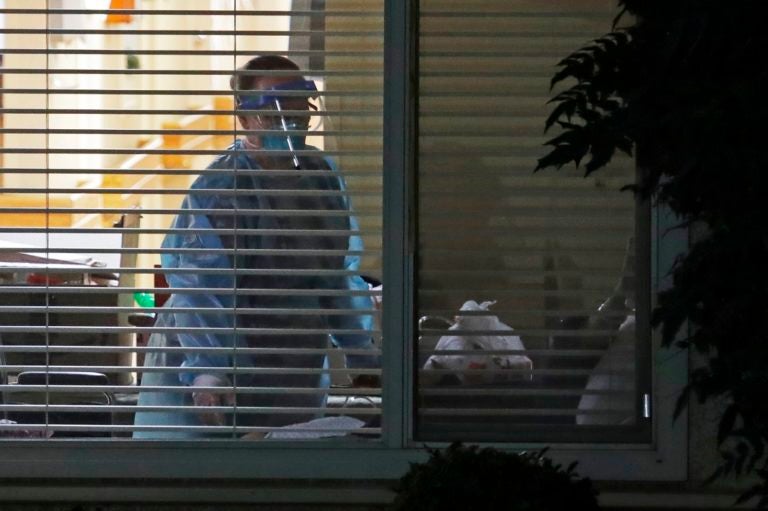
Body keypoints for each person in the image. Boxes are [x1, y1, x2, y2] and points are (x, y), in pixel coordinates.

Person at [133, 56, 380, 439]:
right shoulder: (223, 189)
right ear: (245, 119)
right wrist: (209, 369)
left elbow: (334, 275)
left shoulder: (320, 179)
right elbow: (202, 288)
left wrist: (359, 349)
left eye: (300, 111)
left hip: (293, 363)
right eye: (276, 112)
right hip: (209, 363)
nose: (291, 123)